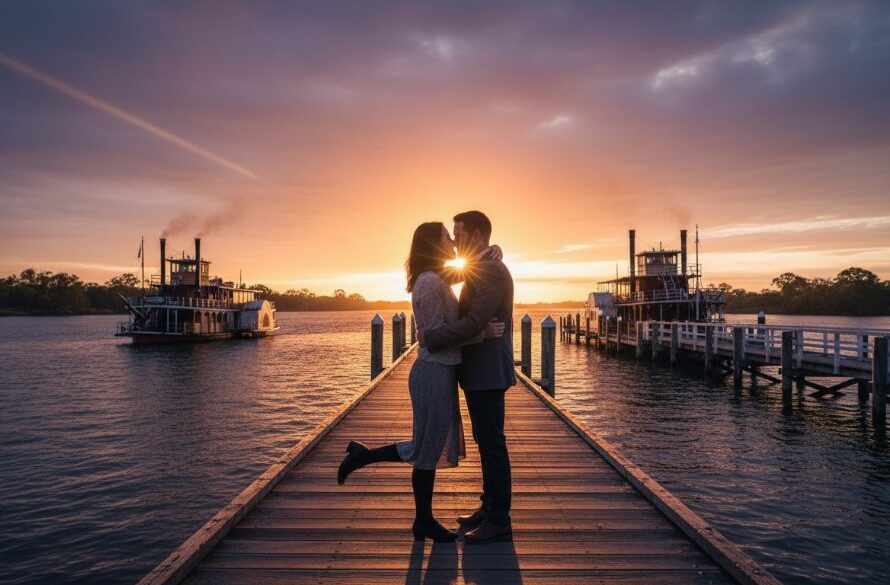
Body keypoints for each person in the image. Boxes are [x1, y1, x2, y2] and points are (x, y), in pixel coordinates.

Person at [337, 221, 505, 542]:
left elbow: (467, 274)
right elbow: (436, 338)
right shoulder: (429, 283)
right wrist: (479, 333)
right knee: (425, 450)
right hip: (432, 373)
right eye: (447, 238)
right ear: (433, 244)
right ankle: (421, 520)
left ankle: (366, 461)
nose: (454, 244)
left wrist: (489, 254)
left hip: (441, 372)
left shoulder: (437, 277)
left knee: (425, 447)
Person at [418, 210, 516, 544]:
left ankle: (499, 519)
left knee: (492, 445)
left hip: (488, 372)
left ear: (475, 235)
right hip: (480, 372)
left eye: (460, 237)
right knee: (486, 443)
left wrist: (431, 337)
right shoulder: (481, 266)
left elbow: (475, 322)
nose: (457, 243)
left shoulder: (488, 270)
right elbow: (446, 278)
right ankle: (489, 507)